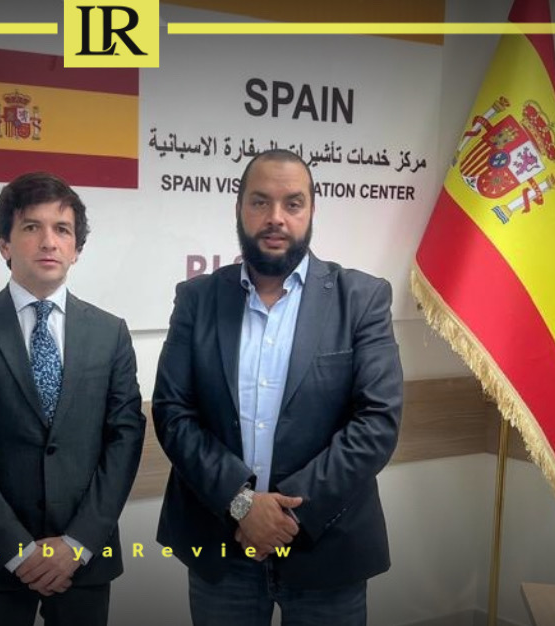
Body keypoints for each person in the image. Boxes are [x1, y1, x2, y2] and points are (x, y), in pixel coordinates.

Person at [153, 149, 403, 625]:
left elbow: (377, 423)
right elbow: (172, 412)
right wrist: (242, 502)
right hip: (221, 548)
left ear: (311, 211)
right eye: (260, 201)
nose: (275, 218)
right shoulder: (197, 299)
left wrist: (289, 515)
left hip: (326, 548)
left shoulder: (362, 299)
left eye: (292, 203)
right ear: (239, 208)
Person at [0, 172, 145, 626]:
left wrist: (78, 543)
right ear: (4, 244)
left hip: (84, 559)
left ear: (76, 248)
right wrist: (15, 549)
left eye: (62, 229)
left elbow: (124, 440)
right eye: (31, 227)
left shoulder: (110, 333)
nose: (49, 241)